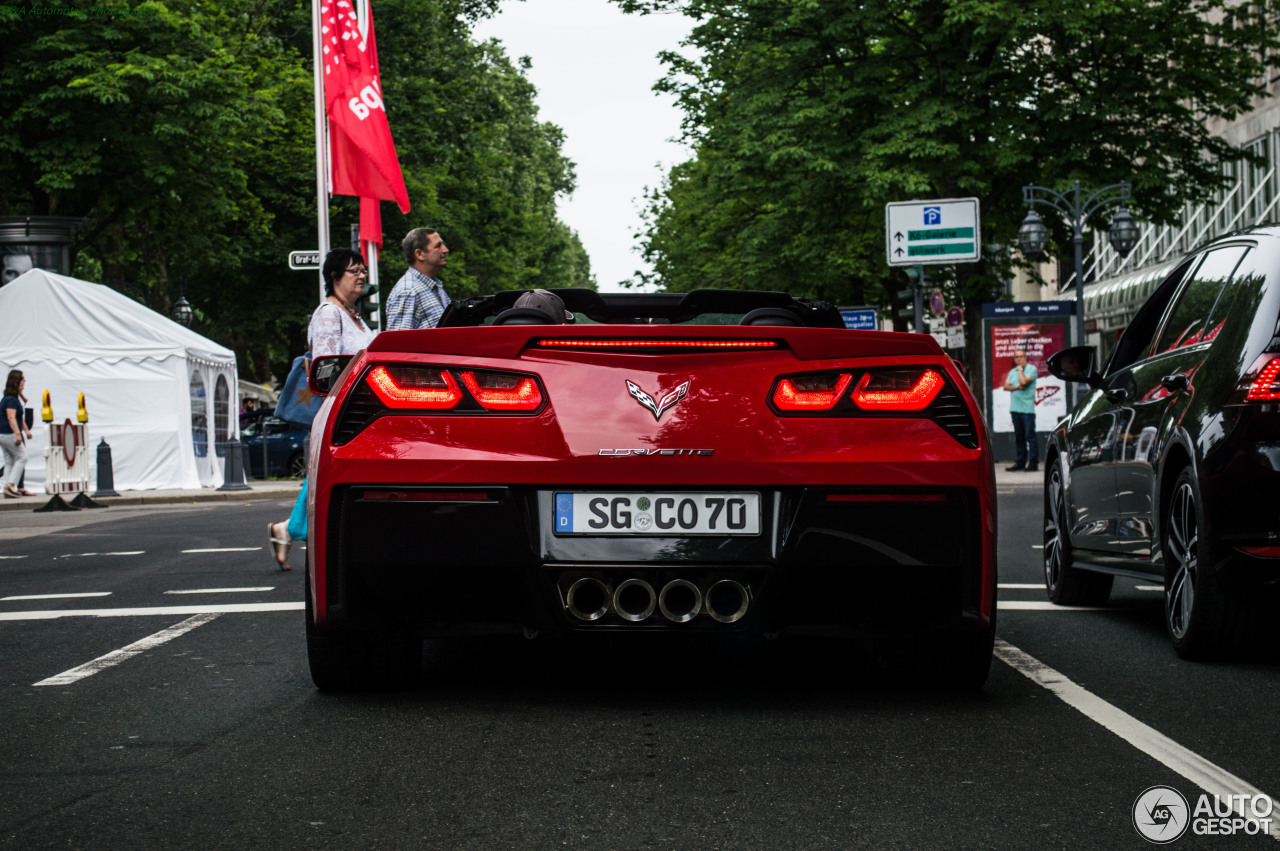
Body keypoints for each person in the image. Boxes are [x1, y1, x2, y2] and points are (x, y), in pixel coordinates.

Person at [267, 248, 376, 569]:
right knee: (332, 476)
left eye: (363, 270)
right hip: (342, 410)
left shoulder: (351, 315)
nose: (361, 275)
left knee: (321, 475)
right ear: (334, 276)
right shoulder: (329, 314)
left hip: (357, 410)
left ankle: (288, 530)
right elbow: (325, 369)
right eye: (353, 270)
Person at [385, 227, 450, 331]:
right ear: (419, 254)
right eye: (438, 246)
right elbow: (397, 344)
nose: (445, 250)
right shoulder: (408, 291)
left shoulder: (434, 287)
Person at [1003, 349, 1038, 472]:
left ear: (1026, 357)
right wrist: (1017, 387)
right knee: (1019, 437)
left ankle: (1033, 463)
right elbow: (1005, 387)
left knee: (1030, 436)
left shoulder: (1031, 370)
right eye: (1016, 357)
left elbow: (1024, 381)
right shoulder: (1012, 372)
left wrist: (1020, 370)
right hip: (1015, 409)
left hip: (1027, 410)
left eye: (1021, 356)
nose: (1018, 359)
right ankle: (1020, 463)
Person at [1, 369, 35, 498]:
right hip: (8, 433)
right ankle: (10, 485)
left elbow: (19, 417)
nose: (24, 381)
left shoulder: (11, 398)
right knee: (22, 457)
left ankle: (8, 487)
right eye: (22, 379)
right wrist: (18, 434)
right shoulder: (11, 400)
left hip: (3, 434)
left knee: (10, 461)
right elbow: (11, 418)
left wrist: (25, 430)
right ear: (16, 381)